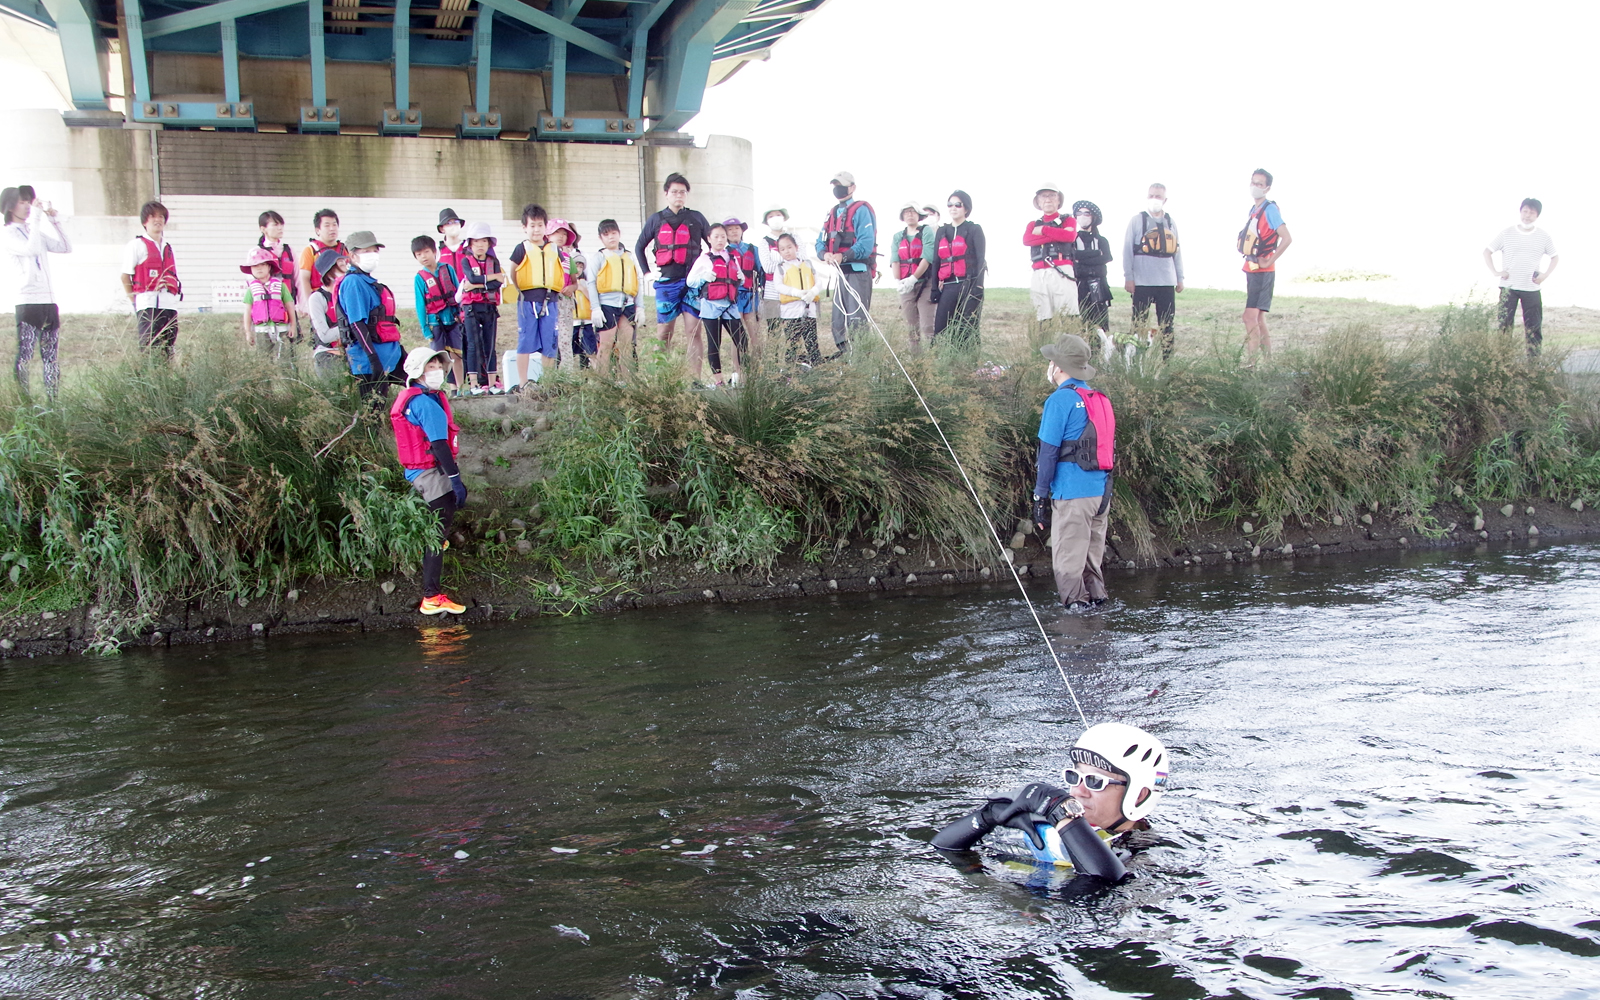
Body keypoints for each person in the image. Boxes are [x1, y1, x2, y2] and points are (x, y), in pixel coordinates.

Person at [930, 722, 1169, 879]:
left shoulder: (1147, 857)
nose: (1078, 791)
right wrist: (987, 816)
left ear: (1139, 794)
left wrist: (1061, 812)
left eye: (1096, 782)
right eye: (1074, 777)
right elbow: (943, 849)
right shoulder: (1044, 819)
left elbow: (1098, 894)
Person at [1031, 334, 1114, 609]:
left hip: (1072, 495)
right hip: (1101, 496)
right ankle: (1099, 616)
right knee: (1092, 565)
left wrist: (1040, 498)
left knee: (1068, 565)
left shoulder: (1060, 401)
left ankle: (1075, 631)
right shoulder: (1098, 398)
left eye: (1052, 360)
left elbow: (1049, 453)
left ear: (1059, 366)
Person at [390, 345, 468, 616]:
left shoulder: (413, 399)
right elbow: (438, 445)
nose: (436, 372)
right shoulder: (426, 403)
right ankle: (431, 597)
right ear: (418, 373)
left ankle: (439, 548)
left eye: (438, 366)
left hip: (417, 472)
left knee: (442, 523)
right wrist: (455, 479)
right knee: (437, 532)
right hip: (429, 474)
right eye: (430, 367)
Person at [1, 184, 71, 396]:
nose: (27, 206)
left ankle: (53, 401)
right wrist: (38, 218)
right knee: (26, 353)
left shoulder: (34, 231)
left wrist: (53, 219)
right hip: (28, 300)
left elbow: (65, 247)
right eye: (22, 202)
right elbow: (30, 250)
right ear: (10, 206)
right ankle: (23, 400)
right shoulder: (7, 233)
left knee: (51, 355)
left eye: (28, 201)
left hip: (48, 300)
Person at [636, 172, 711, 354]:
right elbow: (639, 247)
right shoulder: (656, 219)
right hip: (666, 284)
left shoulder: (697, 217)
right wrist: (647, 273)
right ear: (666, 193)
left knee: (694, 332)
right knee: (663, 333)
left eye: (683, 192)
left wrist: (708, 269)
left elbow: (714, 245)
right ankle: (661, 379)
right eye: (675, 191)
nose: (679, 195)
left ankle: (695, 380)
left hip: (692, 283)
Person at [336, 230, 406, 404]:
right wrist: (373, 359)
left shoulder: (368, 281)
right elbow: (357, 324)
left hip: (391, 354)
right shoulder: (353, 282)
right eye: (366, 251)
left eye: (374, 250)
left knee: (419, 383)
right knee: (374, 409)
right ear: (352, 255)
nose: (372, 255)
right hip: (368, 362)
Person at [1484, 198, 1559, 356]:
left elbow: (1555, 257)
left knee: (1534, 327)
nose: (1527, 215)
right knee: (1504, 325)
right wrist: (1496, 272)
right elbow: (1487, 251)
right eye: (1525, 211)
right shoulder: (1507, 233)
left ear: (1537, 215)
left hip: (1531, 287)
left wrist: (1544, 275)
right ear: (1520, 212)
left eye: (1532, 212)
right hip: (1508, 287)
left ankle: (1533, 365)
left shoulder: (1543, 236)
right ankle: (1503, 361)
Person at [816, 170, 876, 357]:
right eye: (835, 185)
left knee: (857, 320)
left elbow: (866, 243)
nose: (838, 189)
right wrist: (825, 254)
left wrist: (844, 256)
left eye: (841, 185)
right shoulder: (832, 213)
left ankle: (862, 360)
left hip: (858, 272)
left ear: (852, 187)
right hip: (840, 274)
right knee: (837, 321)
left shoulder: (862, 210)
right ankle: (846, 355)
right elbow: (820, 242)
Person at [1123, 184, 1184, 361]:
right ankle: (1135, 360)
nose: (1154, 199)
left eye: (1158, 196)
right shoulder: (1137, 220)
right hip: (1142, 281)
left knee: (1167, 324)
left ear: (1165, 200)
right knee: (1138, 324)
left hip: (1166, 281)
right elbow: (1127, 250)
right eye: (1151, 195)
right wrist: (1129, 277)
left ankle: (1167, 362)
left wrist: (1179, 278)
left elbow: (1177, 252)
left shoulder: (1171, 222)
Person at [1238, 169, 1291, 363]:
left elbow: (1286, 238)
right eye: (1253, 182)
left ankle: (1251, 364)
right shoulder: (1254, 210)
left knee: (1249, 317)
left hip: (1263, 271)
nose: (1255, 187)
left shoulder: (1270, 209)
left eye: (1260, 184)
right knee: (1258, 318)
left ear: (1267, 188)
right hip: (1253, 269)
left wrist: (1270, 260)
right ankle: (1268, 364)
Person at [507, 205, 563, 388]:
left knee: (550, 341)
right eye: (532, 225)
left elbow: (562, 271)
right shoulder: (521, 248)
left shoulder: (554, 249)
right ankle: (523, 382)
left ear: (545, 227)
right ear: (525, 227)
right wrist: (521, 290)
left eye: (540, 225)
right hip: (528, 300)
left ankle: (548, 382)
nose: (536, 229)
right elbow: (513, 271)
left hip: (550, 300)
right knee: (525, 340)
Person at [686, 222, 746, 387]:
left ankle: (742, 376)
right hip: (711, 306)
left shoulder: (731, 257)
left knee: (742, 340)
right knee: (714, 343)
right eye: (716, 236)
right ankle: (719, 381)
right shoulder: (704, 259)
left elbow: (739, 280)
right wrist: (704, 276)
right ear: (709, 239)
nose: (720, 240)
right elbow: (690, 281)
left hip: (730, 305)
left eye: (723, 236)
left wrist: (740, 278)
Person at [120, 201, 181, 356]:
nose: (157, 220)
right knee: (150, 349)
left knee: (168, 348)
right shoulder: (136, 245)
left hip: (169, 305)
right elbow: (125, 275)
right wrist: (134, 301)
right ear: (144, 222)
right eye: (152, 216)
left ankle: (166, 379)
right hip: (147, 304)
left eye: (161, 216)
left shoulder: (168, 247)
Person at [456, 220, 505, 394]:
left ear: (489, 243)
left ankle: (492, 384)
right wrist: (490, 279)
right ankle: (474, 384)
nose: (480, 245)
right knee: (472, 344)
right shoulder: (466, 261)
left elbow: (496, 286)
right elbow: (471, 278)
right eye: (476, 241)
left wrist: (477, 285)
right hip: (471, 308)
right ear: (470, 244)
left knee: (490, 344)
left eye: (484, 241)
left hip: (489, 307)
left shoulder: (494, 261)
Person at [412, 235, 465, 393]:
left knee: (457, 355)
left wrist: (462, 315)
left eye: (426, 252)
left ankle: (461, 388)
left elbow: (458, 293)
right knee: (439, 358)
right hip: (435, 323)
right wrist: (425, 329)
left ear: (434, 251)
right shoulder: (419, 278)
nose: (423, 257)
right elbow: (420, 305)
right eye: (419, 254)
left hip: (453, 320)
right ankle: (449, 388)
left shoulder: (447, 269)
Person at [933, 190, 985, 349]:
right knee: (940, 329)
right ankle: (937, 363)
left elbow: (980, 259)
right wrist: (935, 288)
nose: (953, 208)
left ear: (966, 208)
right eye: (950, 205)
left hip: (968, 285)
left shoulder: (974, 230)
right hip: (948, 287)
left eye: (958, 204)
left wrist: (978, 287)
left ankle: (968, 364)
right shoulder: (942, 232)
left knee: (967, 329)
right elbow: (936, 261)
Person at [588, 219, 639, 377]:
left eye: (613, 233)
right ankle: (603, 382)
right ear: (601, 238)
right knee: (605, 345)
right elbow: (591, 283)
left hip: (627, 304)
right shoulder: (599, 257)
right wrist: (595, 308)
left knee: (626, 346)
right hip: (606, 305)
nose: (611, 237)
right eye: (606, 234)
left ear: (619, 234)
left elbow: (639, 282)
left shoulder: (629, 256)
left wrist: (640, 307)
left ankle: (628, 383)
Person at [1023, 182, 1077, 327]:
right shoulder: (1032, 224)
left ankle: (1071, 348)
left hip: (1062, 272)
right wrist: (1057, 234)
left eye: (1052, 195)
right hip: (1039, 273)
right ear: (1038, 201)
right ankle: (1044, 347)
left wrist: (1044, 230)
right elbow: (1027, 240)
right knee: (1042, 317)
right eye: (1044, 196)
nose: (1048, 199)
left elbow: (1069, 236)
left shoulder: (1068, 220)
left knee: (1068, 315)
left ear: (1059, 200)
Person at [1068, 201, 1113, 354]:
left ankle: (1097, 355)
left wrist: (1082, 259)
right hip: (1079, 286)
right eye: (1079, 213)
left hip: (1098, 286)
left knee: (1098, 324)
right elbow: (1073, 260)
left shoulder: (1102, 240)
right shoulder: (1072, 240)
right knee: (1080, 322)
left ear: (1093, 217)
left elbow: (1106, 259)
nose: (1082, 217)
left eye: (1086, 213)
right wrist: (1094, 255)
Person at [892, 203, 937, 352]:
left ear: (919, 215)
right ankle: (916, 364)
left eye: (913, 212)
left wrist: (914, 278)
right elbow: (895, 260)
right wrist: (898, 281)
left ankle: (933, 361)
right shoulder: (898, 236)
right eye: (906, 212)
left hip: (925, 283)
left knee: (927, 325)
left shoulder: (927, 232)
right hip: (906, 286)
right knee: (912, 327)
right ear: (902, 216)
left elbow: (927, 257)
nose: (910, 214)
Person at [772, 232, 822, 366]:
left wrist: (812, 292)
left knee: (812, 345)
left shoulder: (808, 264)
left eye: (789, 247)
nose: (787, 251)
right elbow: (779, 286)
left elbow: (818, 282)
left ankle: (818, 372)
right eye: (782, 249)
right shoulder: (780, 268)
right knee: (792, 346)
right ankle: (791, 375)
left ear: (796, 247)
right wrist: (797, 293)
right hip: (790, 313)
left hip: (809, 312)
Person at [239, 247, 298, 358]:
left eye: (263, 265)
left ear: (269, 267)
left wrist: (293, 326)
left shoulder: (280, 286)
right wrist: (248, 332)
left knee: (285, 360)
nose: (259, 268)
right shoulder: (251, 289)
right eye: (255, 266)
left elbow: (290, 306)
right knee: (264, 360)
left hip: (281, 329)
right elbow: (247, 311)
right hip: (261, 330)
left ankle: (286, 376)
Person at [723, 218, 763, 361]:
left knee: (756, 334)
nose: (734, 231)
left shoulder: (753, 249)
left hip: (751, 296)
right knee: (737, 336)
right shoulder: (724, 252)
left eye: (737, 228)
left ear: (742, 231)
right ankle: (737, 373)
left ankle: (758, 369)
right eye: (730, 229)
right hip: (734, 297)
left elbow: (761, 271)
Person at [305, 248, 347, 379]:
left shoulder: (346, 294)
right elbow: (325, 336)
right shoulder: (317, 298)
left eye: (346, 264)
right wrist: (351, 327)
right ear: (329, 273)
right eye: (341, 265)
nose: (347, 269)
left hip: (351, 352)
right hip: (327, 353)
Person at [547, 219, 582, 371]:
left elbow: (575, 282)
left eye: (563, 234)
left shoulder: (568, 259)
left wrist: (571, 288)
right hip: (548, 301)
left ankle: (567, 373)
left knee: (565, 339)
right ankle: (548, 373)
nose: (560, 237)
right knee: (548, 338)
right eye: (556, 233)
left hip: (565, 302)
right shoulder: (544, 256)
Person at [296, 208, 344, 313]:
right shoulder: (310, 251)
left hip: (343, 299)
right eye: (327, 225)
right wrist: (310, 305)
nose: (332, 228)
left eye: (334, 224)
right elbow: (304, 279)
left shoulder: (344, 250)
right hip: (321, 300)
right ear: (318, 230)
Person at [756, 207, 794, 336]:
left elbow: (802, 261)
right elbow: (767, 267)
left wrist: (780, 264)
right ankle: (775, 356)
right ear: (766, 221)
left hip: (793, 290)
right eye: (771, 216)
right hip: (772, 292)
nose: (775, 218)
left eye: (778, 215)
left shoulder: (793, 237)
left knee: (793, 331)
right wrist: (787, 264)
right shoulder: (764, 242)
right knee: (774, 331)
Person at [255, 211, 296, 297]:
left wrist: (303, 306)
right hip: (266, 303)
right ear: (263, 229)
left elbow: (298, 278)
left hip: (288, 301)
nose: (280, 228)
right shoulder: (256, 252)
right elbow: (251, 282)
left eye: (281, 224)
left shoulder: (289, 250)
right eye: (275, 225)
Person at [436, 208, 468, 288]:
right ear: (442, 228)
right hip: (447, 296)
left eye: (456, 222)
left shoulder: (468, 247)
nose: (453, 225)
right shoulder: (437, 250)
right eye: (449, 223)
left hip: (468, 295)